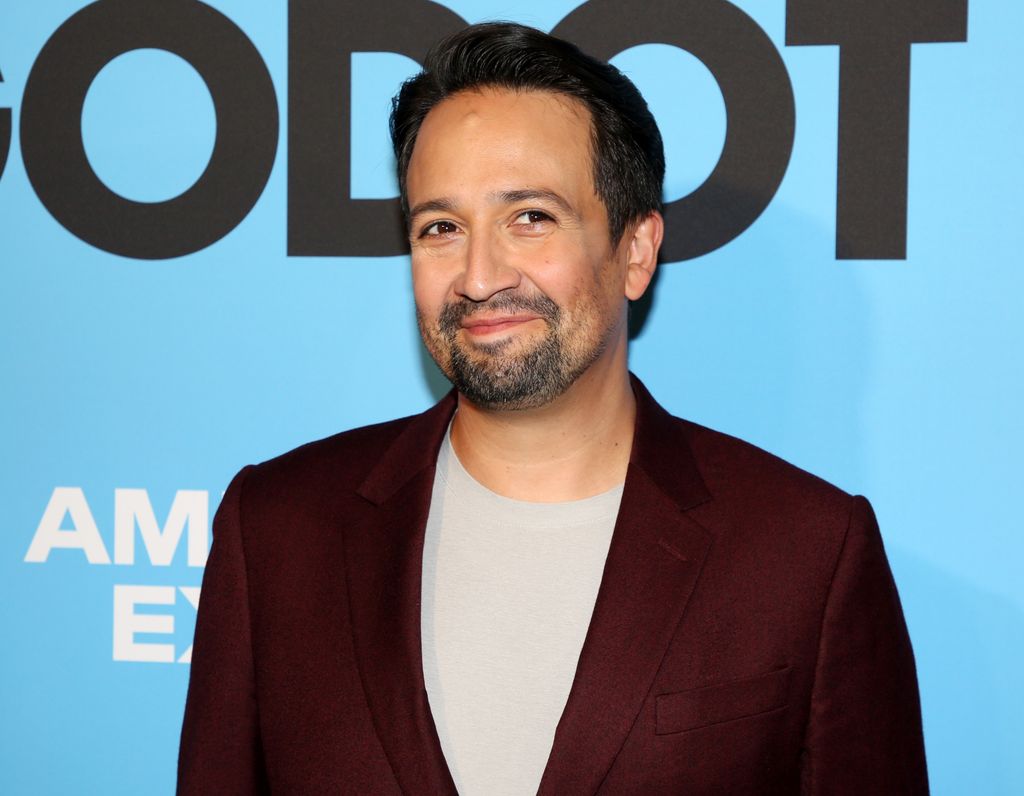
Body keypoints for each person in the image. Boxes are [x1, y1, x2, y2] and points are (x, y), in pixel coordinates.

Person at [178, 22, 928, 795]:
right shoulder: (275, 531)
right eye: (441, 228)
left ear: (636, 251)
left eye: (530, 217)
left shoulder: (805, 553)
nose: (479, 277)